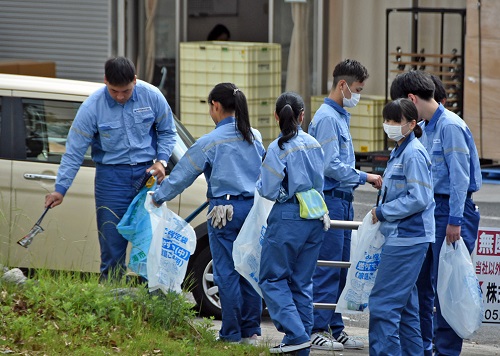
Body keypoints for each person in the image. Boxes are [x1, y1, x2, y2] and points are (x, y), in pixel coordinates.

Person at [44, 57, 177, 282]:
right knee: (112, 249)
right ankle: (112, 306)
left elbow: (168, 131)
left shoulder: (152, 96)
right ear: (105, 81)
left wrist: (161, 161)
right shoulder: (92, 107)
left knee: (150, 245)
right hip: (111, 180)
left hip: (147, 177)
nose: (120, 96)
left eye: (125, 90)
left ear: (135, 80)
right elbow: (74, 151)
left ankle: (152, 307)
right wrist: (60, 189)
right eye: (114, 91)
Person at [152, 83, 265, 344]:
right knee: (249, 270)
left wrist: (158, 197)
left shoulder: (210, 141)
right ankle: (251, 333)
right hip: (253, 210)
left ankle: (231, 334)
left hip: (223, 212)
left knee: (226, 271)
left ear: (215, 106)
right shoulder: (255, 136)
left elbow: (181, 176)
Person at [391, 70, 482, 356]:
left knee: (447, 289)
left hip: (452, 212)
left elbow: (460, 179)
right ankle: (424, 347)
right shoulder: (427, 127)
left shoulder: (450, 126)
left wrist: (455, 221)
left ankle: (446, 352)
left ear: (411, 99)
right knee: (422, 285)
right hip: (431, 210)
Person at [308, 59, 382, 351]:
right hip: (331, 200)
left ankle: (335, 328)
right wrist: (366, 176)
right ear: (343, 85)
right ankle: (316, 328)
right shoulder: (327, 117)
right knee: (327, 268)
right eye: (358, 89)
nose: (359, 95)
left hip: (343, 201)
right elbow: (330, 165)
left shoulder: (339, 116)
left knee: (340, 268)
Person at [257, 92, 327, 355]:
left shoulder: (277, 148)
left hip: (287, 217)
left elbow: (268, 190)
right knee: (302, 282)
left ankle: (296, 335)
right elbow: (319, 183)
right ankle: (302, 344)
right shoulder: (314, 144)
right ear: (302, 116)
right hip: (315, 216)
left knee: (273, 279)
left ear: (276, 116)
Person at [369, 98, 435, 355]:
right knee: (406, 309)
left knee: (383, 305)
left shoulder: (413, 153)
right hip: (403, 236)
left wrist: (383, 211)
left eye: (396, 121)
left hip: (407, 238)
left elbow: (419, 198)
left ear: (412, 123)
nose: (390, 125)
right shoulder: (401, 150)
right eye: (387, 120)